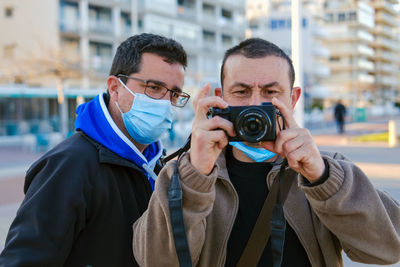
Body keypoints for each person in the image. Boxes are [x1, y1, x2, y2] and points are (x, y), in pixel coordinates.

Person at [132, 38, 400, 267]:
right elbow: (154, 260)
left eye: (271, 91)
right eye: (241, 91)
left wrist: (322, 177)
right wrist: (194, 175)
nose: (255, 104)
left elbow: (387, 249)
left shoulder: (328, 171)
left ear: (293, 99)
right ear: (220, 96)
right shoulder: (183, 173)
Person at [0, 33, 190, 267]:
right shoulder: (69, 166)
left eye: (174, 94)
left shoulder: (159, 164)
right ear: (115, 88)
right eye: (153, 87)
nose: (164, 103)